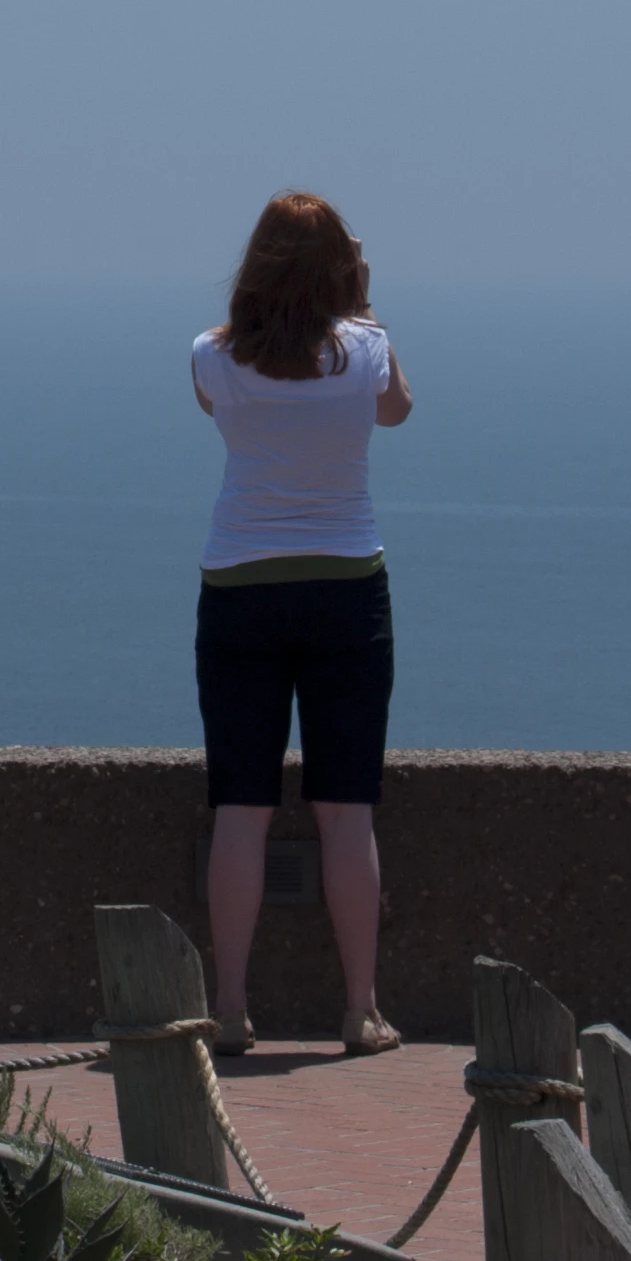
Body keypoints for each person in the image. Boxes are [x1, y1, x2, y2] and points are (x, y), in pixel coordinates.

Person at [192, 191, 413, 1056]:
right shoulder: (366, 350)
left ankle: (233, 1007)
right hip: (347, 589)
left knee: (239, 810)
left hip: (240, 585)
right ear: (339, 267)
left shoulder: (211, 358)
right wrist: (361, 302)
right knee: (346, 810)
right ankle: (359, 1007)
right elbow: (396, 410)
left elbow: (224, 407)